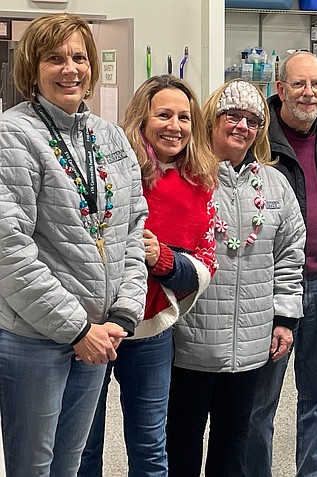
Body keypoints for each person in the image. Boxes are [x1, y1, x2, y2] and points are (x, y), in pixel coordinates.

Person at [0, 13, 148, 476]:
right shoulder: (14, 134)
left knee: (71, 461)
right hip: (36, 337)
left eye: (79, 57)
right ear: (32, 68)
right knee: (34, 466)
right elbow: (9, 248)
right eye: (54, 58)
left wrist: (122, 315)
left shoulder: (109, 137)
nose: (71, 69)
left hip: (100, 334)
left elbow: (133, 228)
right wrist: (76, 330)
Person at [78, 74, 219, 477]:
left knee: (150, 447)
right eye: (163, 115)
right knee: (84, 443)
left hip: (152, 330)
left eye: (184, 117)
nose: (175, 126)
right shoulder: (108, 170)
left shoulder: (201, 182)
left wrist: (164, 260)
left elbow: (205, 264)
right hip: (95, 325)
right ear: (142, 118)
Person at [165, 79, 306, 477]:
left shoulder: (275, 184)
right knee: (181, 440)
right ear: (212, 119)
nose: (242, 126)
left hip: (249, 344)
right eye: (233, 116)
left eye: (252, 120)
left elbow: (290, 256)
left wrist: (284, 319)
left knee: (234, 442)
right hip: (189, 341)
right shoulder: (186, 178)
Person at [245, 51, 317, 477]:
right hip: (270, 287)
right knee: (260, 398)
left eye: (316, 85)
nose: (308, 93)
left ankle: (313, 472)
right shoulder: (259, 138)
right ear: (280, 89)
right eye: (298, 84)